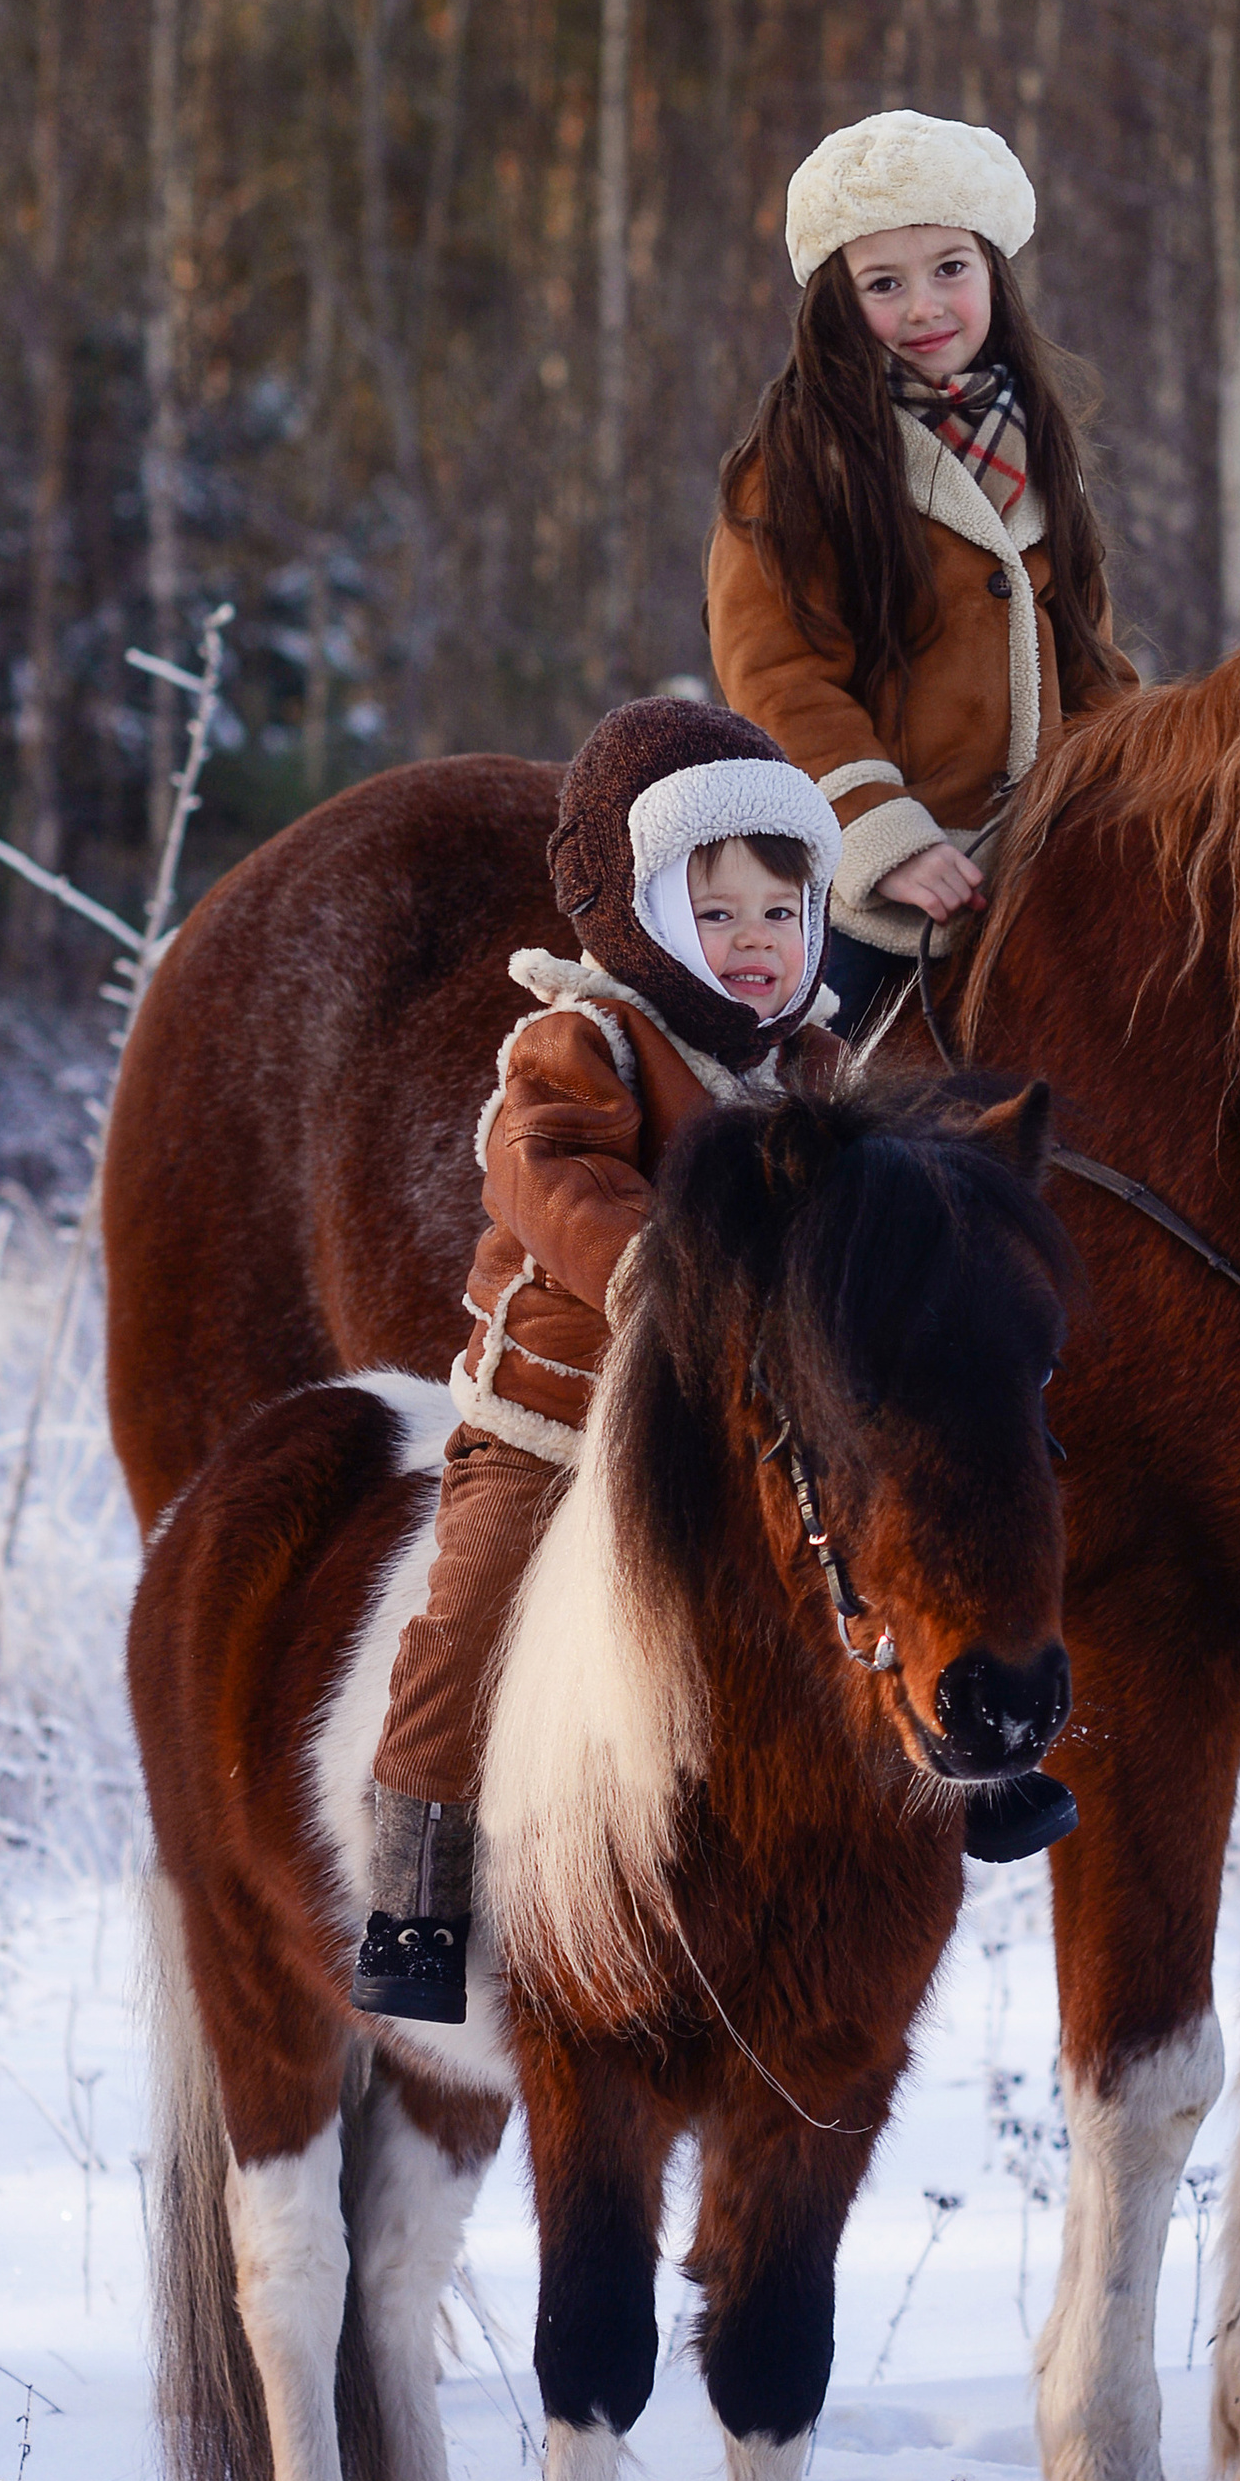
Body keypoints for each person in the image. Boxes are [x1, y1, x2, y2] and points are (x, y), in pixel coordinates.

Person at [352, 692, 843, 2025]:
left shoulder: (811, 1067)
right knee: (471, 1619)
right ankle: (417, 1891)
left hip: (751, 1427)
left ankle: (961, 1755)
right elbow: (549, 1167)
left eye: (781, 915)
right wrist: (653, 1268)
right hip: (557, 1425)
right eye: (721, 911)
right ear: (650, 919)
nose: (756, 943)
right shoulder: (586, 1040)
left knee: (890, 1553)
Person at [707, 109, 1136, 1033]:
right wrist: (884, 836)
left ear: (994, 275)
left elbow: (1090, 667)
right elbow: (779, 676)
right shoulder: (797, 464)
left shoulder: (1030, 453)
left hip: (1032, 867)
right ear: (836, 300)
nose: (924, 308)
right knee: (817, 1106)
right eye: (884, 283)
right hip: (871, 887)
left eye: (951, 269)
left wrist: (1140, 793)